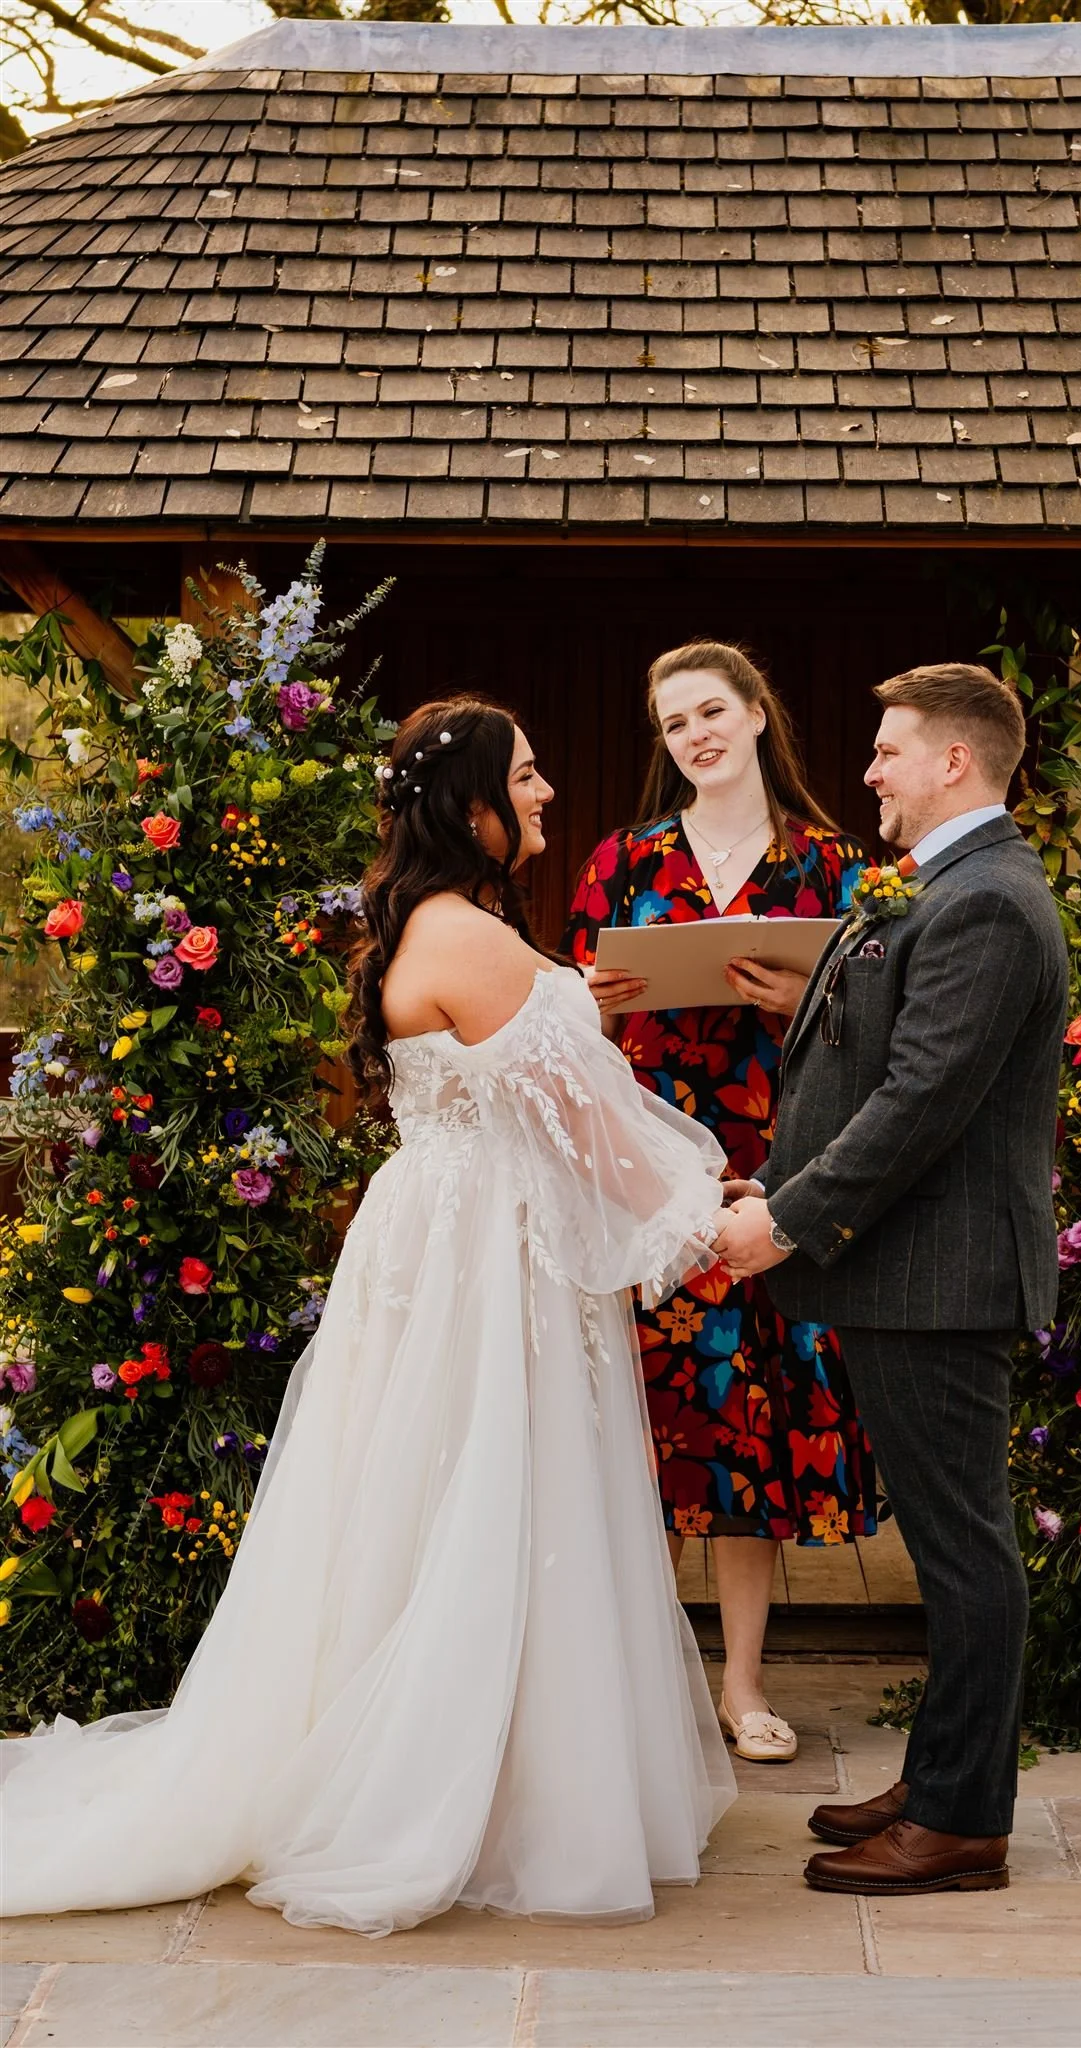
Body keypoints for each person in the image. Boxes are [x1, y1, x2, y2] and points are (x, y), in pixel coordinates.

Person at [0, 696, 735, 1936]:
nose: (550, 789)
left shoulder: (435, 926)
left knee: (412, 1498)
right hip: (487, 1254)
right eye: (532, 769)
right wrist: (714, 1208)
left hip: (434, 1238)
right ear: (474, 803)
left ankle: (438, 1755)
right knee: (493, 1492)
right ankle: (484, 1790)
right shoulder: (483, 942)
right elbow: (600, 1142)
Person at [715, 662, 1067, 1896]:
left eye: (888, 749)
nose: (868, 770)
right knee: (950, 1541)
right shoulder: (947, 883)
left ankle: (965, 1820)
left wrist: (789, 1223)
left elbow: (922, 1103)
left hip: (941, 1276)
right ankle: (940, 1774)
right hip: (911, 1271)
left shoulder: (987, 903)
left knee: (966, 1550)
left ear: (956, 762)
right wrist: (773, 1176)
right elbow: (872, 1056)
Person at [563, 640, 877, 1766]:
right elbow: (565, 1045)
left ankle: (742, 1684)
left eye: (710, 710)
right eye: (672, 721)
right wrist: (595, 1002)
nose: (694, 734)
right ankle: (625, 1687)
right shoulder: (623, 857)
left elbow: (886, 1044)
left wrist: (802, 1003)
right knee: (633, 1435)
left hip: (773, 1176)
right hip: (643, 1173)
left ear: (756, 712)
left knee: (748, 1434)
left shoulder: (838, 868)